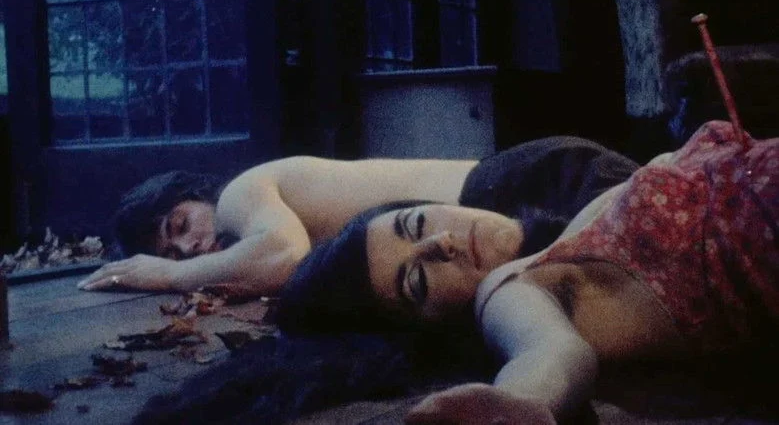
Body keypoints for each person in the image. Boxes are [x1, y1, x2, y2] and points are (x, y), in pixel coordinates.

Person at [276, 120, 779, 423]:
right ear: (437, 329)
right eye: (418, 281)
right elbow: (549, 352)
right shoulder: (514, 288)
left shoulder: (565, 176)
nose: (441, 243)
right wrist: (515, 403)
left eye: (418, 223)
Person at [77, 136, 638, 295]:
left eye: (179, 226)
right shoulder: (243, 235)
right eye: (174, 253)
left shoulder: (239, 195)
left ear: (196, 195)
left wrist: (168, 275)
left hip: (525, 185)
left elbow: (282, 255)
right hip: (509, 203)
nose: (191, 248)